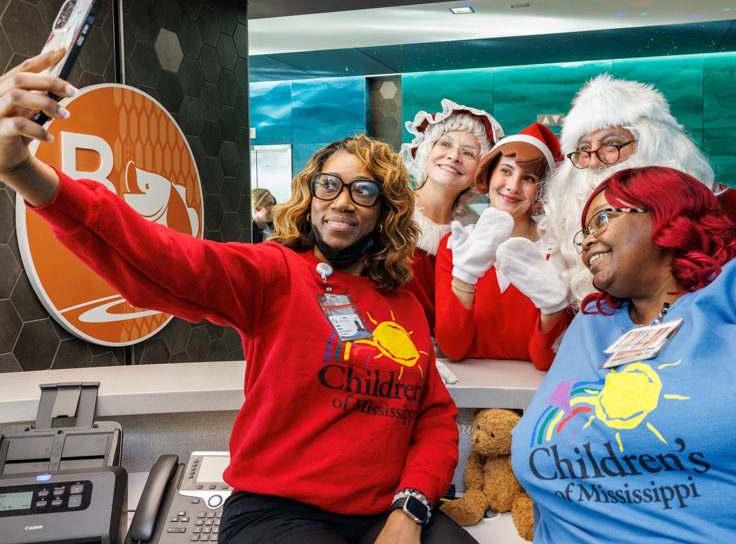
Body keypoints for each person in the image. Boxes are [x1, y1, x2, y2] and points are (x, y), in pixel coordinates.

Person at [0, 52, 477, 544]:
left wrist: (410, 508)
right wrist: (21, 170)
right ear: (310, 196)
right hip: (279, 513)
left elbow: (433, 417)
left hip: (385, 510)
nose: (341, 201)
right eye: (329, 185)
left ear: (385, 213)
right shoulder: (274, 274)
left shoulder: (404, 304)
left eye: (363, 192)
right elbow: (158, 257)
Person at [511, 166, 736, 543]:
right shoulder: (592, 322)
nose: (587, 242)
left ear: (665, 210)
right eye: (584, 233)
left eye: (602, 219)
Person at [538, 73, 736, 309]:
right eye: (584, 149)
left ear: (655, 143)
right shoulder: (567, 229)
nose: (594, 161)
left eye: (611, 144)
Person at [434, 124, 570, 369]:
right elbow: (453, 348)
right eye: (505, 171)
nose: (513, 186)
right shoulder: (456, 245)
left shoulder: (559, 252)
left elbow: (546, 361)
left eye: (528, 178)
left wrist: (553, 308)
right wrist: (465, 276)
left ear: (541, 192)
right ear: (489, 175)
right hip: (472, 393)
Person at [400, 99, 503, 332]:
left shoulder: (474, 235)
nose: (454, 156)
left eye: (468, 153)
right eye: (445, 144)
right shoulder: (389, 213)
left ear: (479, 172)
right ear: (427, 151)